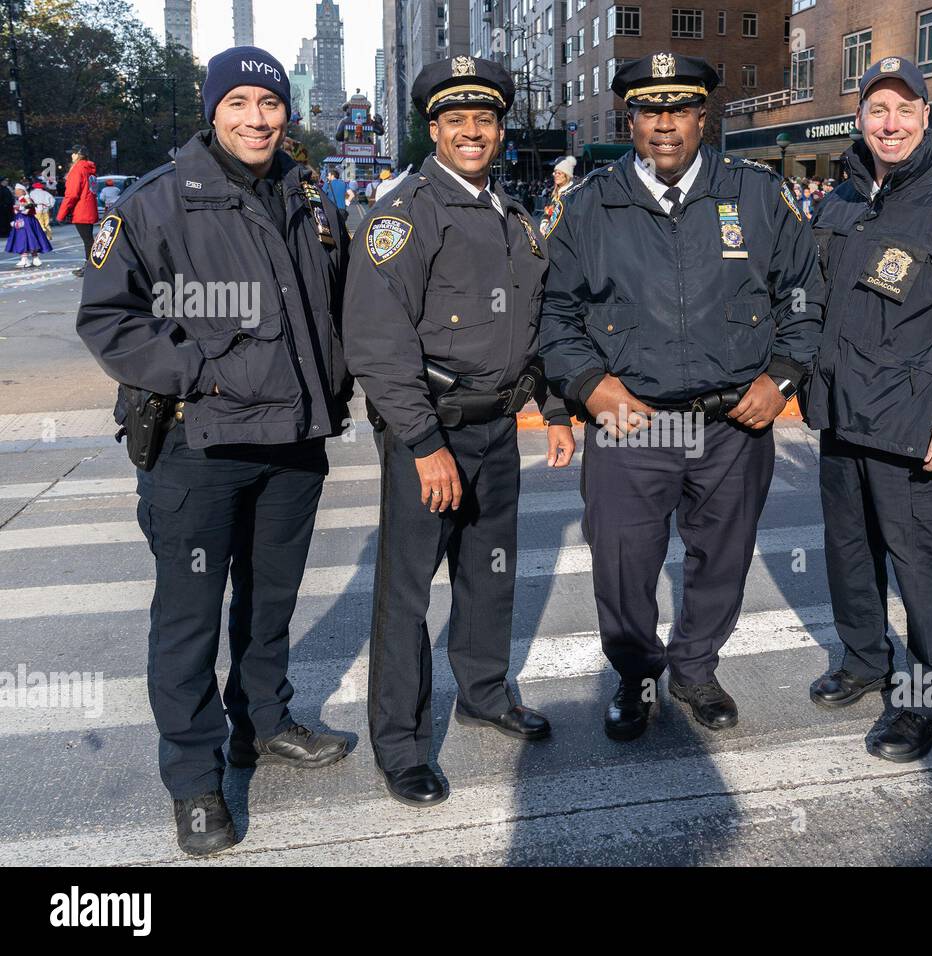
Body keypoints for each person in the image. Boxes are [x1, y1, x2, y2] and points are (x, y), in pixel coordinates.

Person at [75, 46, 353, 856]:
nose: (257, 119)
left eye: (269, 105)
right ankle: (195, 781)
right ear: (213, 111)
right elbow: (110, 321)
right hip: (201, 444)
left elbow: (338, 299)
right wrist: (202, 371)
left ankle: (262, 725)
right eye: (239, 104)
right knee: (188, 621)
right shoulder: (157, 203)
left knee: (269, 604)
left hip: (295, 441)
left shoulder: (307, 193)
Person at [539, 52, 825, 740]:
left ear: (704, 116)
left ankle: (696, 670)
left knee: (721, 556)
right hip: (632, 423)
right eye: (648, 110)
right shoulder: (589, 204)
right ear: (629, 119)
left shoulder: (756, 193)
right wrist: (587, 385)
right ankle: (635, 676)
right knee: (623, 561)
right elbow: (554, 313)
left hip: (731, 424)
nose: (663, 124)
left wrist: (781, 373)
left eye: (679, 109)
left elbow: (806, 296)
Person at [342, 56, 575, 809]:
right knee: (406, 595)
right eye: (455, 121)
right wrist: (421, 443)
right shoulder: (401, 215)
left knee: (491, 572)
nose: (471, 133)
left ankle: (482, 691)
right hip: (431, 433)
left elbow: (534, 328)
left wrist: (558, 409)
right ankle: (401, 743)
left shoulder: (512, 216)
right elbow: (378, 344)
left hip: (497, 428)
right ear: (433, 129)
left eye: (484, 120)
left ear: (500, 130)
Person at [802, 56, 932, 762]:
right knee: (849, 552)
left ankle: (928, 703)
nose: (889, 124)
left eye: (904, 110)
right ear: (860, 119)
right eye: (877, 111)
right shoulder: (839, 203)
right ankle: (865, 660)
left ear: (926, 118)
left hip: (917, 429)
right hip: (840, 417)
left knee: (923, 567)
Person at [57, 145, 98, 276]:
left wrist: (61, 214)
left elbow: (72, 194)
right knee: (89, 239)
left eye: (73, 153)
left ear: (78, 155)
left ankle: (91, 267)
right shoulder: (89, 169)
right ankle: (92, 266)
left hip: (81, 209)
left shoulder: (78, 169)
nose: (72, 156)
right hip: (89, 206)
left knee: (88, 241)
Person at [7, 185, 52, 267]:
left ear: (23, 191)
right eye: (15, 190)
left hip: (25, 221)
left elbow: (27, 210)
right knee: (30, 238)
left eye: (18, 190)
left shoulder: (26, 198)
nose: (16, 192)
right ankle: (33, 258)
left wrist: (19, 208)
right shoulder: (23, 199)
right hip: (26, 220)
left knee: (24, 238)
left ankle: (27, 259)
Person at [539, 155, 576, 237]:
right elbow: (547, 212)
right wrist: (544, 223)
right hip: (553, 236)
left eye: (559, 172)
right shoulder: (555, 193)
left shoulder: (574, 192)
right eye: (555, 172)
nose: (556, 175)